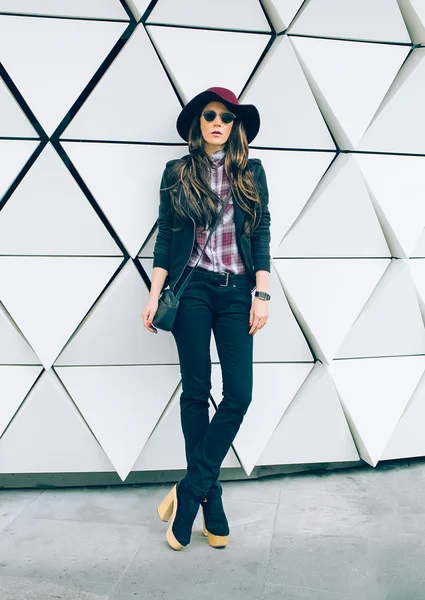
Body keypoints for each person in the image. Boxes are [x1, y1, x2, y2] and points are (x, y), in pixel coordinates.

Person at [141, 86, 271, 551]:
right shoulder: (177, 173)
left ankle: (188, 491)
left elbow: (261, 234)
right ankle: (211, 502)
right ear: (199, 122)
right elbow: (164, 239)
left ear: (235, 127)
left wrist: (262, 293)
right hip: (191, 291)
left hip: (238, 292)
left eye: (227, 117)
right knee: (196, 391)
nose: (218, 122)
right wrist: (154, 295)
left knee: (239, 393)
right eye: (210, 115)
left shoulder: (251, 172)